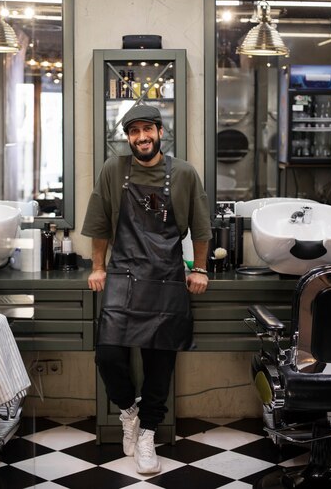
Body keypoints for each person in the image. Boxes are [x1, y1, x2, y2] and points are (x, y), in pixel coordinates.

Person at [81, 103, 212, 474]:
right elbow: (99, 223)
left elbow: (201, 229)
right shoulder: (114, 169)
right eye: (134, 132)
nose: (141, 138)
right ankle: (129, 412)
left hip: (167, 277)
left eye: (147, 130)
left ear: (159, 132)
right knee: (107, 355)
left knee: (161, 365)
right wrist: (97, 267)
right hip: (123, 275)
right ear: (127, 138)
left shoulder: (184, 173)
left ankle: (148, 434)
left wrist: (199, 269)